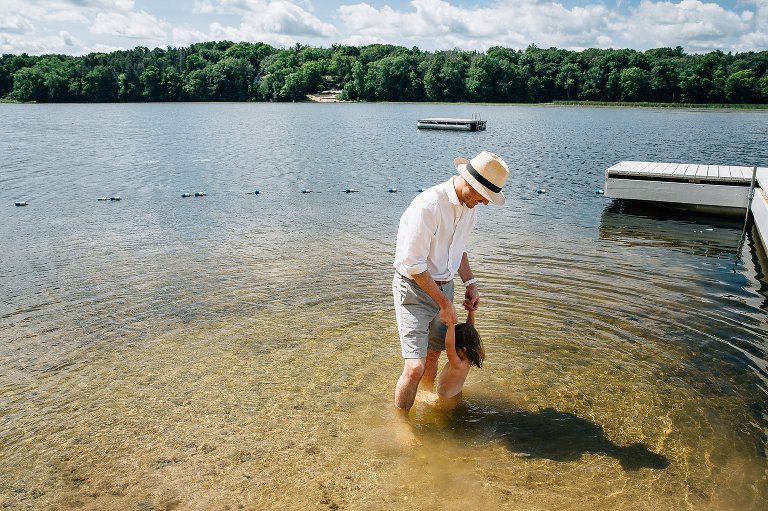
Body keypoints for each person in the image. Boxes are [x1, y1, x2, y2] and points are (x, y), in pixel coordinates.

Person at [392, 150, 509, 414]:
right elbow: (414, 266)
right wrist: (444, 303)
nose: (486, 203)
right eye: (485, 196)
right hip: (414, 288)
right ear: (470, 184)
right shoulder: (429, 205)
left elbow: (460, 250)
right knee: (414, 366)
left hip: (446, 286)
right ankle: (403, 428)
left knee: (434, 354)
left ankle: (426, 399)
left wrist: (471, 282)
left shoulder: (470, 209)